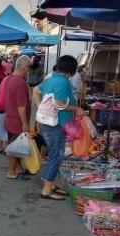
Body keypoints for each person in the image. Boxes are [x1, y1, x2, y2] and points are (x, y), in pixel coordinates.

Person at [33, 55, 83, 200]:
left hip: (48, 124)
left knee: (54, 154)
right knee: (56, 156)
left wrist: (40, 107)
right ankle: (47, 190)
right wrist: (76, 109)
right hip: (55, 125)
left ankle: (51, 184)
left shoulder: (51, 79)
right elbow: (59, 103)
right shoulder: (62, 82)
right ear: (72, 70)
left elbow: (36, 90)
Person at [2, 56, 32, 180]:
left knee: (17, 144)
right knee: (14, 146)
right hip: (17, 120)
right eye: (29, 68)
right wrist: (25, 123)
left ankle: (18, 168)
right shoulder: (20, 83)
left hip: (9, 117)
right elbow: (21, 106)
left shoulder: (9, 79)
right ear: (26, 68)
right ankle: (11, 171)